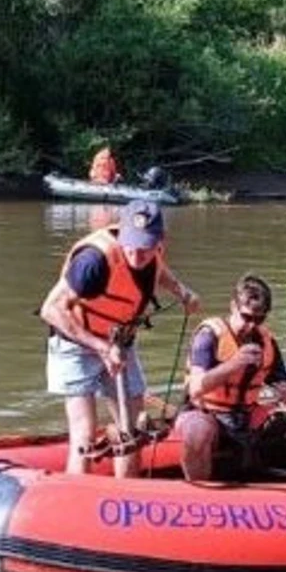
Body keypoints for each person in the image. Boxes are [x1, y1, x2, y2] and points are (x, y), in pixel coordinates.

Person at [37, 199, 200, 476]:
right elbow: (50, 309)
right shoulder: (93, 262)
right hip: (74, 342)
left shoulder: (152, 253)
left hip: (120, 341)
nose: (138, 254)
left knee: (132, 427)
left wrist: (181, 291)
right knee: (85, 435)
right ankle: (78, 499)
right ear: (121, 233)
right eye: (132, 245)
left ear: (160, 240)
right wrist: (100, 347)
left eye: (146, 247)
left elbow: (157, 271)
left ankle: (126, 496)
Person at [174, 275, 286, 482]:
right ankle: (200, 495)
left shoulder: (266, 341)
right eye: (247, 317)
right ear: (233, 307)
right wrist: (234, 364)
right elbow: (195, 388)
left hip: (246, 413)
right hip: (204, 411)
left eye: (259, 319)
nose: (251, 326)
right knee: (197, 432)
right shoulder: (209, 335)